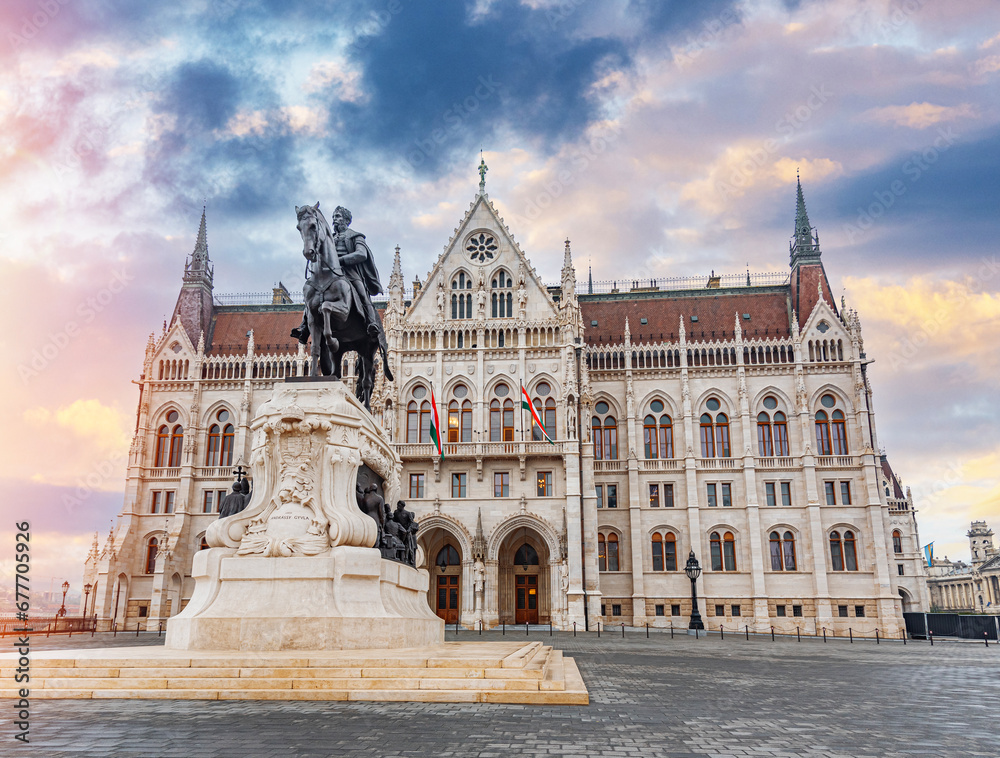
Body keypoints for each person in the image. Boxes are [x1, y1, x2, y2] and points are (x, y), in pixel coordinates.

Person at [291, 205, 385, 348]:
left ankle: (371, 323)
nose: (334, 219)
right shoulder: (329, 237)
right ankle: (304, 327)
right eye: (334, 216)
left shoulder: (355, 236)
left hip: (350, 273)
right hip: (329, 273)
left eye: (338, 216)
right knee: (311, 294)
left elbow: (361, 254)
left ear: (346, 220)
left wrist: (341, 260)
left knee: (362, 293)